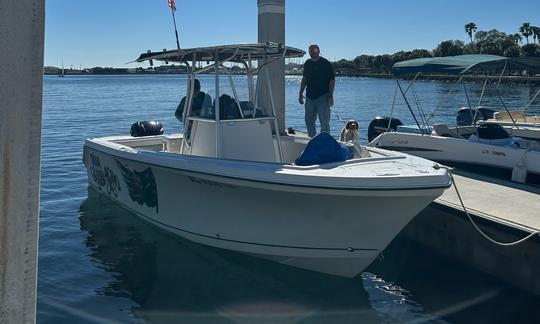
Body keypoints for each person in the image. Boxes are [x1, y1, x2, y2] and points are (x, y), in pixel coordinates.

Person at [298, 44, 335, 137]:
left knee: (324, 122)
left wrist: (330, 96)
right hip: (309, 97)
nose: (312, 52)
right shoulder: (307, 63)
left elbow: (332, 80)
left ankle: (325, 143)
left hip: (323, 97)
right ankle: (312, 140)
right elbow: (304, 79)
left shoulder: (325, 63)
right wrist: (300, 93)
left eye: (314, 50)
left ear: (318, 51)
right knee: (309, 121)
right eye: (310, 50)